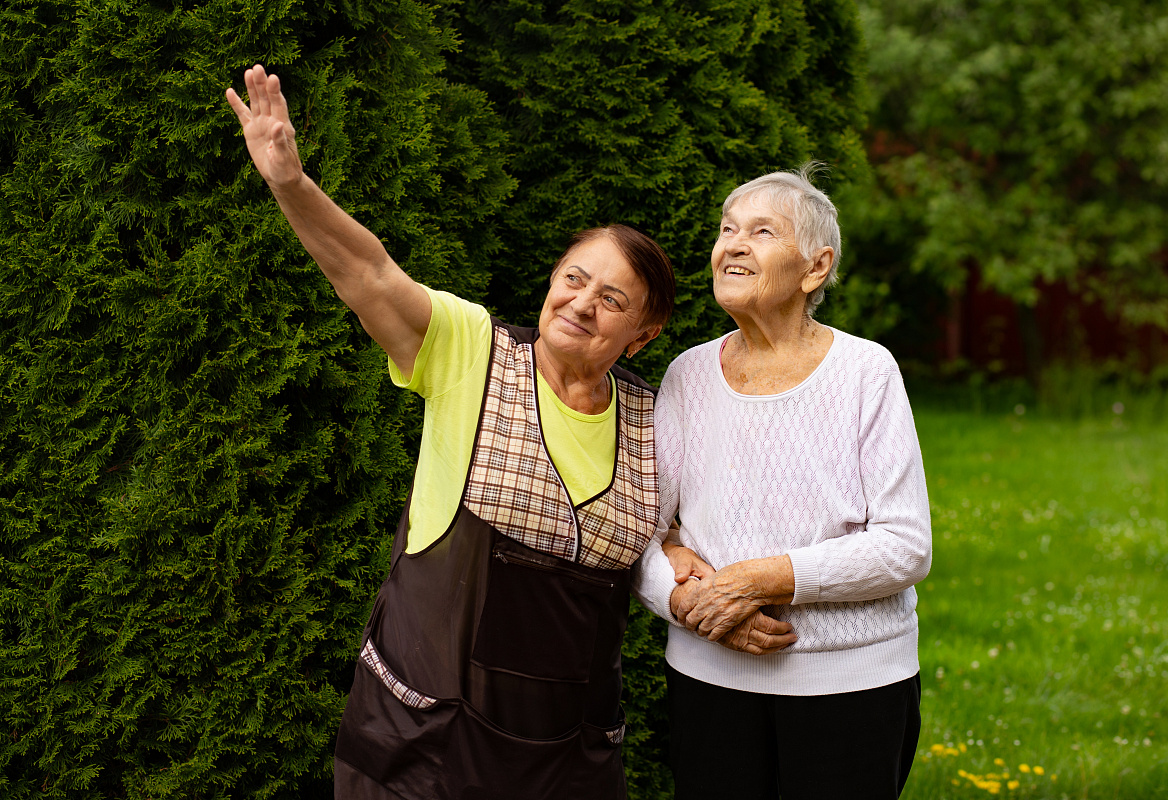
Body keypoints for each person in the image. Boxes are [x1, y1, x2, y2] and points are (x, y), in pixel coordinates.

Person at [225, 65, 783, 799]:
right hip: (425, 743)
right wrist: (289, 181)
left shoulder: (655, 417)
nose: (582, 303)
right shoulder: (471, 349)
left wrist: (706, 586)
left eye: (611, 298)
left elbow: (673, 539)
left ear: (642, 336)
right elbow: (368, 272)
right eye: (573, 278)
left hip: (569, 758)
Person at [633, 165, 933, 799]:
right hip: (707, 679)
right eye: (726, 229)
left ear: (815, 268)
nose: (732, 244)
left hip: (850, 687)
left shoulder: (866, 372)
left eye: (762, 231)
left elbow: (905, 545)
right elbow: (643, 532)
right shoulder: (686, 376)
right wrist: (693, 607)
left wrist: (759, 578)